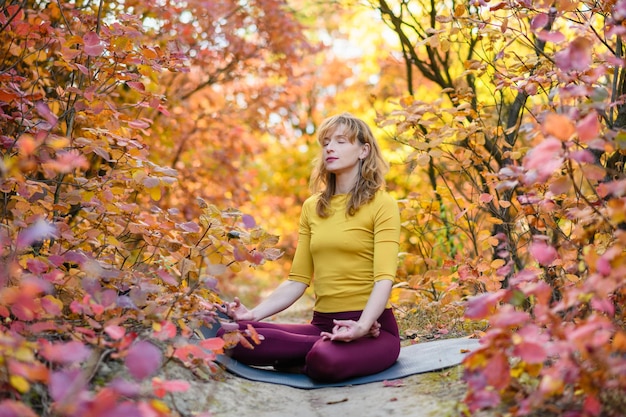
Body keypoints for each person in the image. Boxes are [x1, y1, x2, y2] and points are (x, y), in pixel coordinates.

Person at [218, 112, 401, 382]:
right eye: (326, 142)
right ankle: (311, 352)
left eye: (340, 141)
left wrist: (362, 326)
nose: (329, 147)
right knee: (232, 336)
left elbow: (384, 278)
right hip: (321, 326)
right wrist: (251, 315)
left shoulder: (382, 204)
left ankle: (310, 356)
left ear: (364, 150)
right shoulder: (312, 208)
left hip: (374, 330)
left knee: (324, 359)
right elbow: (297, 281)